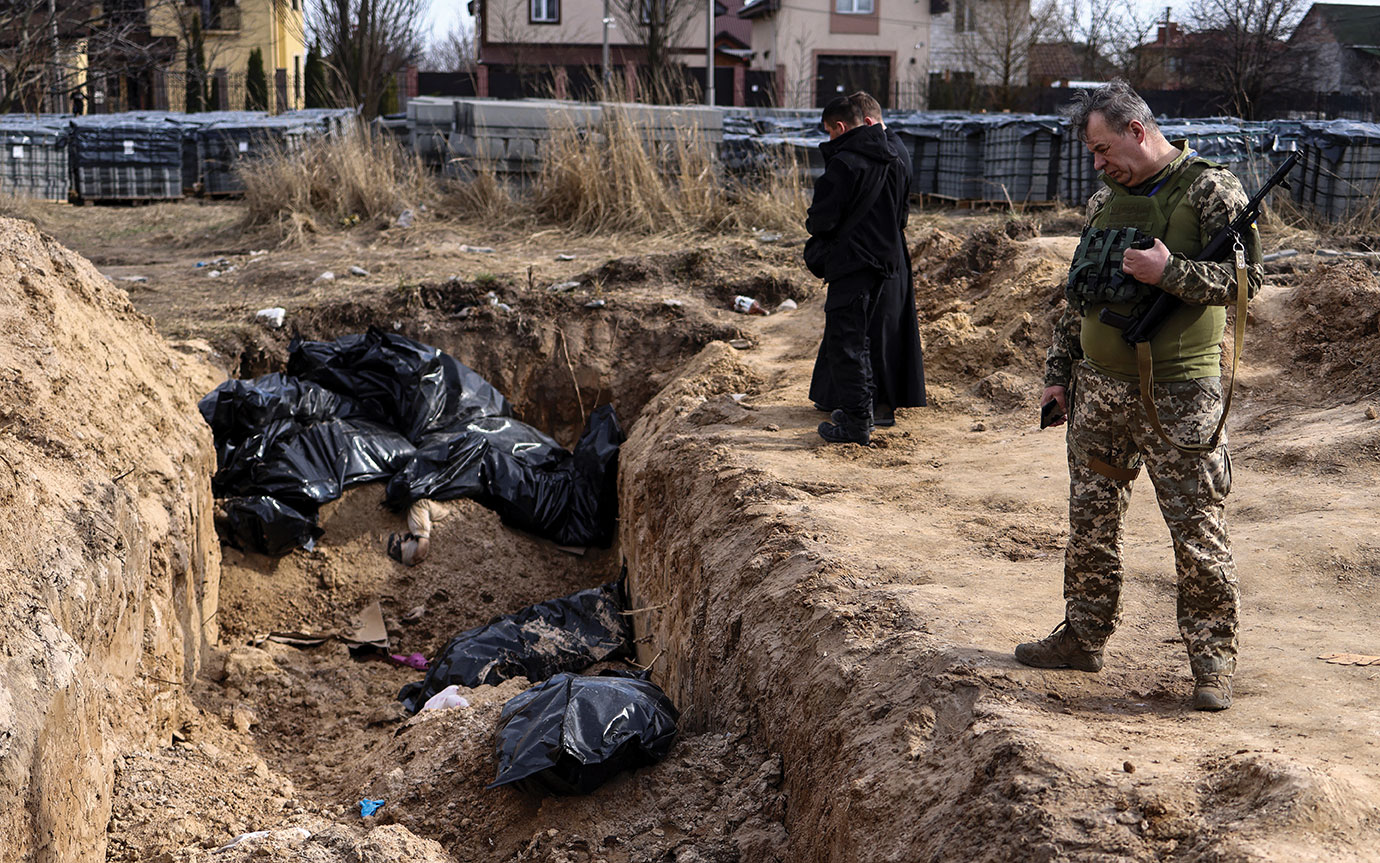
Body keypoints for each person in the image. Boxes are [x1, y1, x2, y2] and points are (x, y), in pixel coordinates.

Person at [1014, 80, 1263, 712]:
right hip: (1098, 391)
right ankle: (1082, 636)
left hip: (1180, 394)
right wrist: (1058, 372)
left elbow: (1247, 282)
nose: (1098, 164)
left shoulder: (1212, 189)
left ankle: (1212, 663)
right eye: (1093, 155)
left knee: (1196, 526)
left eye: (1103, 149)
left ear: (1137, 130)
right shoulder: (1105, 202)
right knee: (1091, 521)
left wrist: (1169, 273)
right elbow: (1079, 294)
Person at [808, 92, 927, 427]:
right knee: (860, 330)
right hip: (886, 250)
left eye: (834, 131)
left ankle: (874, 406)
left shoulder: (869, 156)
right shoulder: (895, 150)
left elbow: (831, 214)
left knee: (868, 332)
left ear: (867, 122)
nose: (832, 138)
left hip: (867, 252)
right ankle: (847, 399)